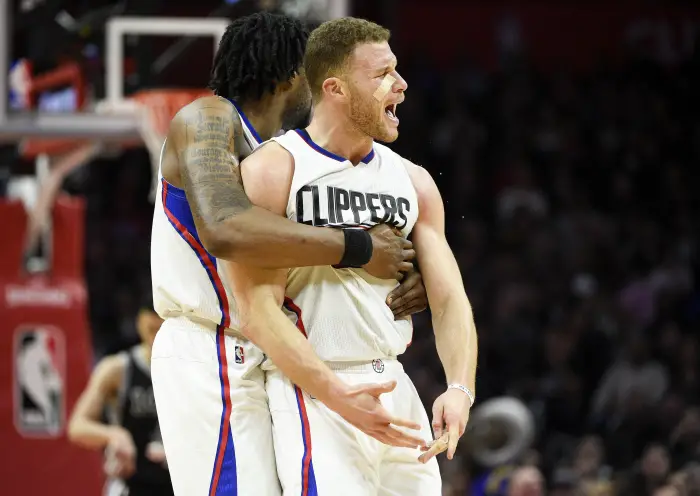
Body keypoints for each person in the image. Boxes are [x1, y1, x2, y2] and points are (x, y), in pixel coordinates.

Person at [150, 12, 429, 496]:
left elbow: (295, 245)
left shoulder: (282, 153)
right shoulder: (209, 117)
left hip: (265, 346)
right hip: (211, 347)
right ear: (291, 76)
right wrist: (360, 248)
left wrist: (400, 274)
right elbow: (225, 227)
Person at [230, 17, 478, 495]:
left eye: (398, 70)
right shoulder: (274, 169)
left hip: (396, 386)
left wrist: (459, 388)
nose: (402, 85)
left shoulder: (415, 181)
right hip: (316, 390)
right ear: (335, 88)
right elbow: (256, 309)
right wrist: (338, 396)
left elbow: (449, 298)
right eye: (383, 74)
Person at [68, 307, 172, 496]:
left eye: (161, 326)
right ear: (139, 322)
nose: (156, 335)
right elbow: (77, 425)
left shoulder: (189, 370)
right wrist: (114, 435)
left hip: (178, 485)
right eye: (152, 328)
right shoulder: (117, 368)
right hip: (130, 484)